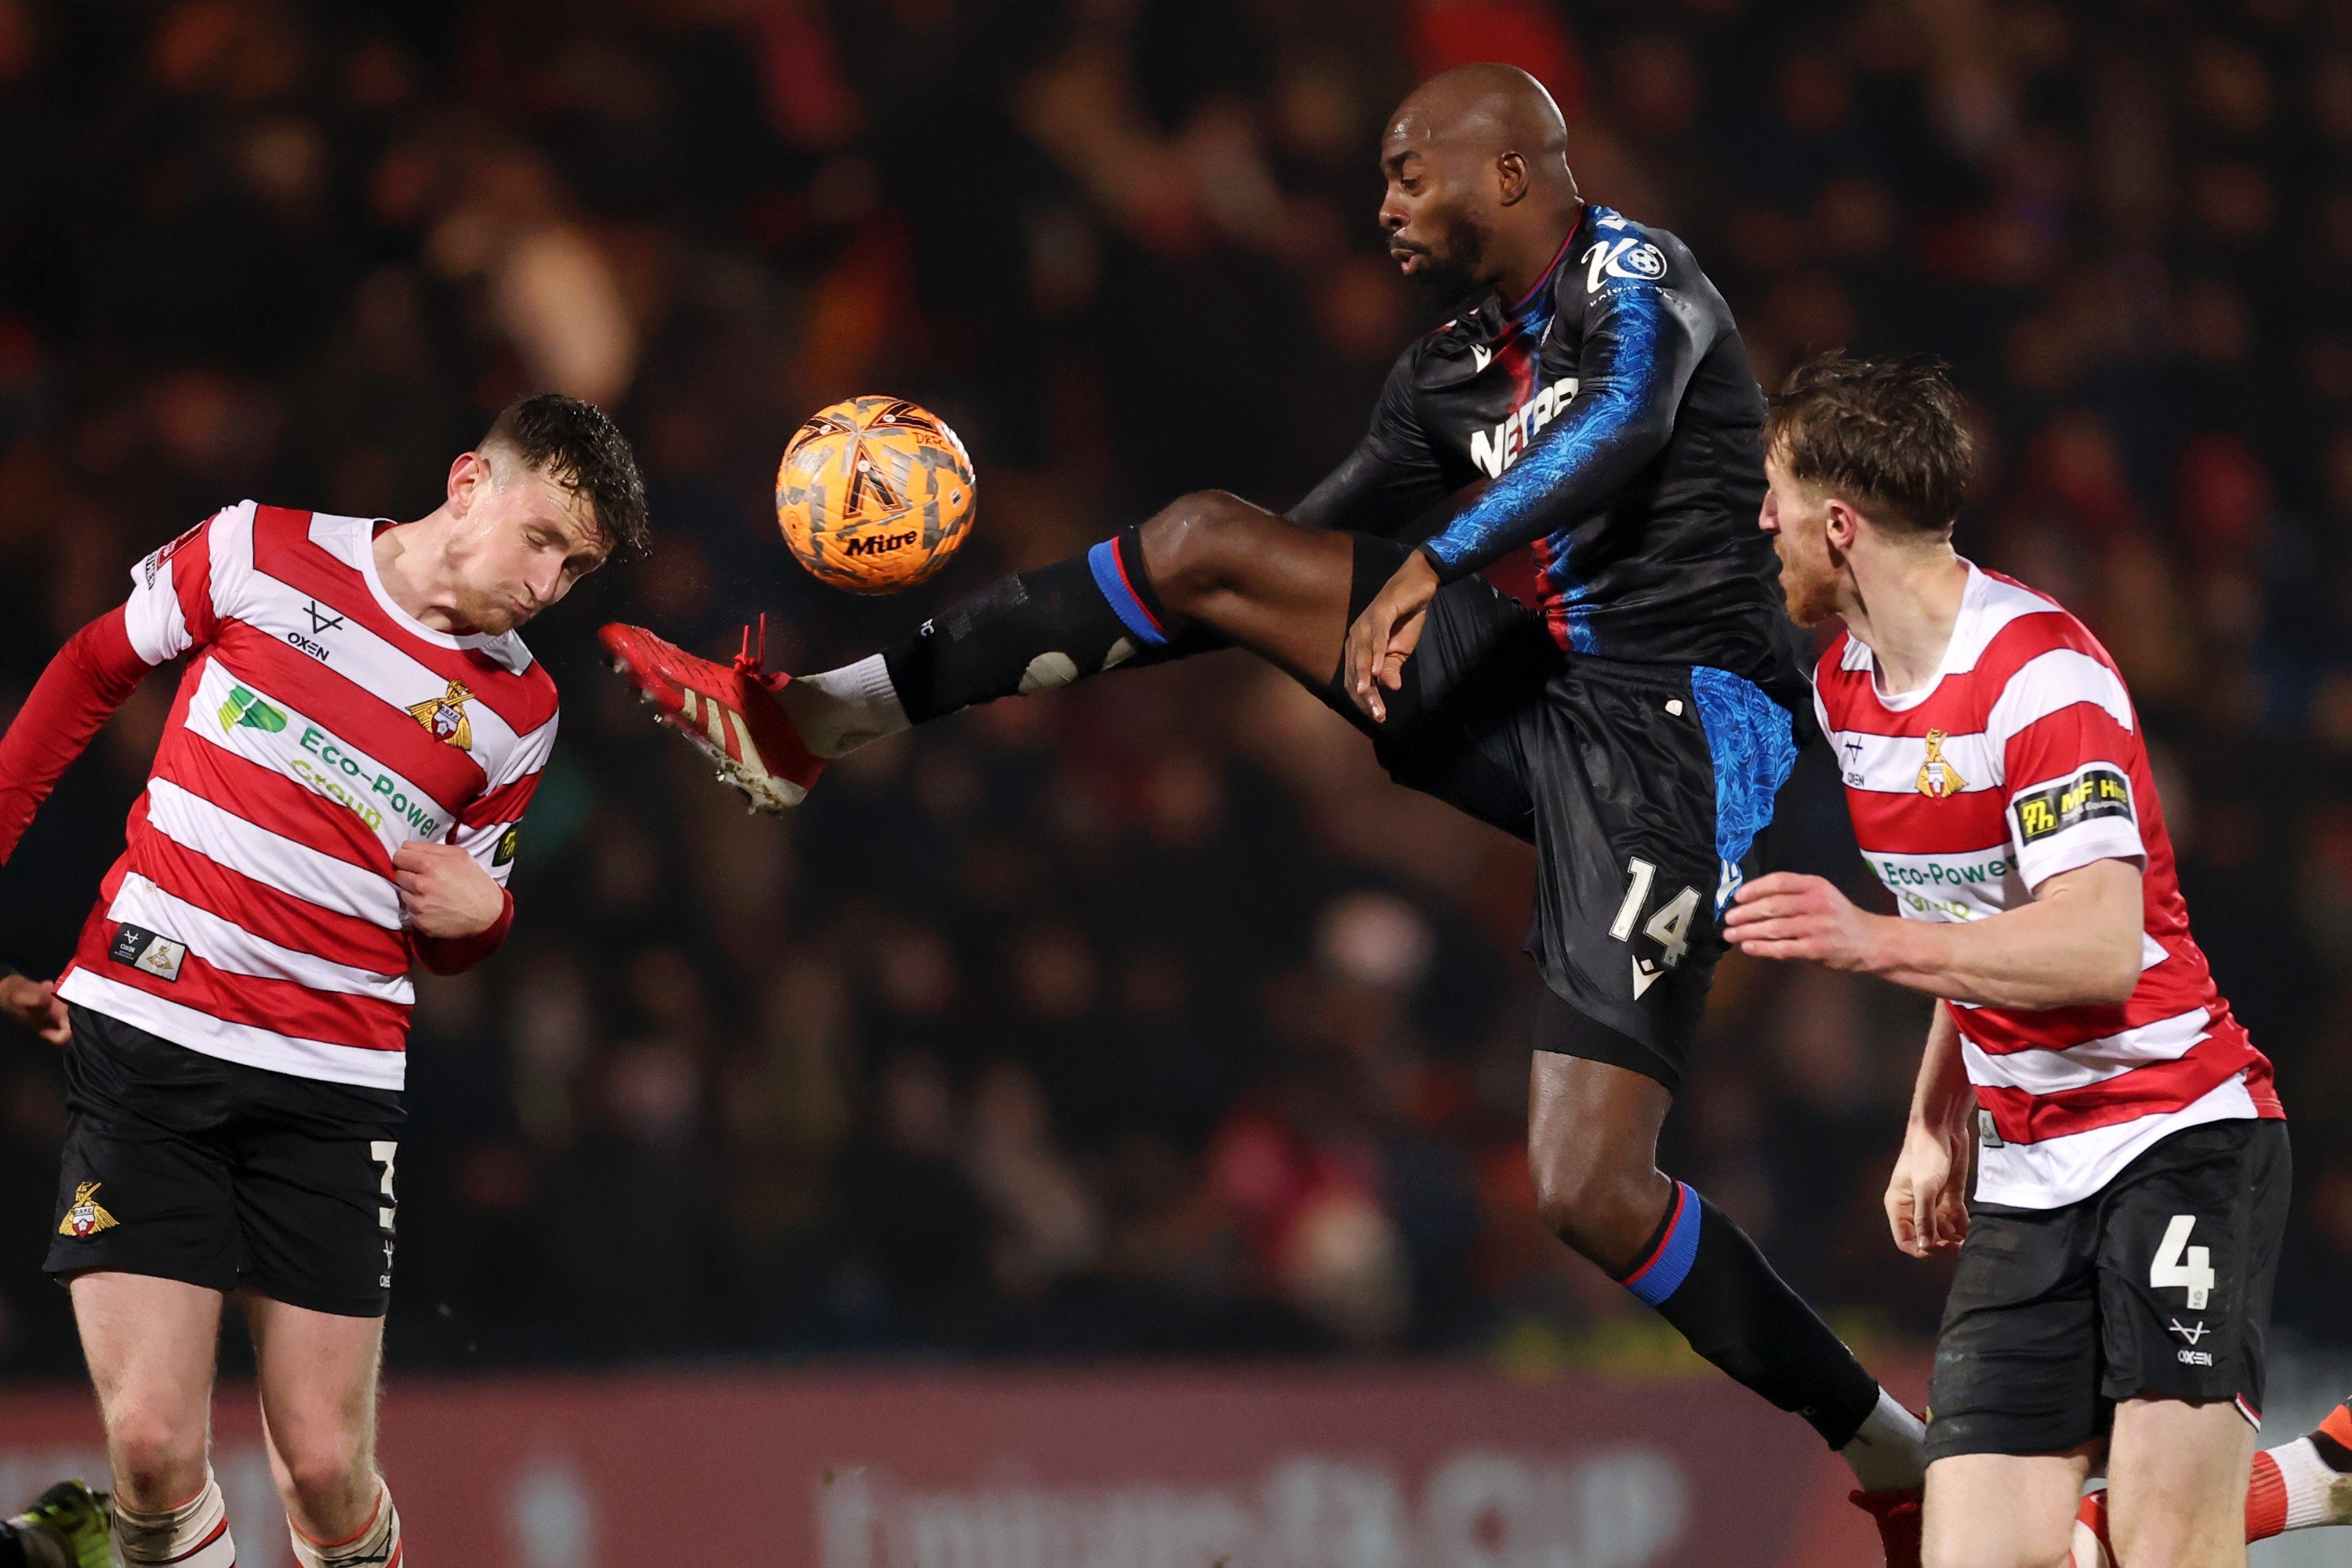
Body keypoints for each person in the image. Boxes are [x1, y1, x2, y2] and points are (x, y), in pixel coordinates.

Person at [602, 61, 1933, 1555]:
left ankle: (1892, 1452)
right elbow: (1270, 556)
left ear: (1511, 174)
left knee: (1592, 1192)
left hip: (1689, 744)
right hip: (1534, 696)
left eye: (1407, 170)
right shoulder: (1440, 374)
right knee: (1198, 542)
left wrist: (1436, 564)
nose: (1382, 203)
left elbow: (1621, 423)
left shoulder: (1642, 277)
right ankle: (826, 717)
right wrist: (1137, 649)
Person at [0, 395, 644, 1568]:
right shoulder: (259, 548)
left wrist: (487, 917)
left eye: (581, 566)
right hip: (151, 1038)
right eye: (544, 539)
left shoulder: (522, 711)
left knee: (325, 1469)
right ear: (468, 483)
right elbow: (94, 668)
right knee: (148, 1449)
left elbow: (455, 918)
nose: (553, 584)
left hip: (329, 1086)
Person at [1731, 352, 2350, 1566]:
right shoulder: (1845, 690)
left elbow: (2095, 947)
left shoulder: (2039, 674)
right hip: (2027, 1179)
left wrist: (1871, 940)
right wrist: (1930, 1116)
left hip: (2176, 1138)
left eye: (1777, 493)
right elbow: (1971, 911)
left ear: (1840, 523)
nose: (1764, 521)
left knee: (2170, 1552)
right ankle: (2317, 1480)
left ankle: (2300, 1486)